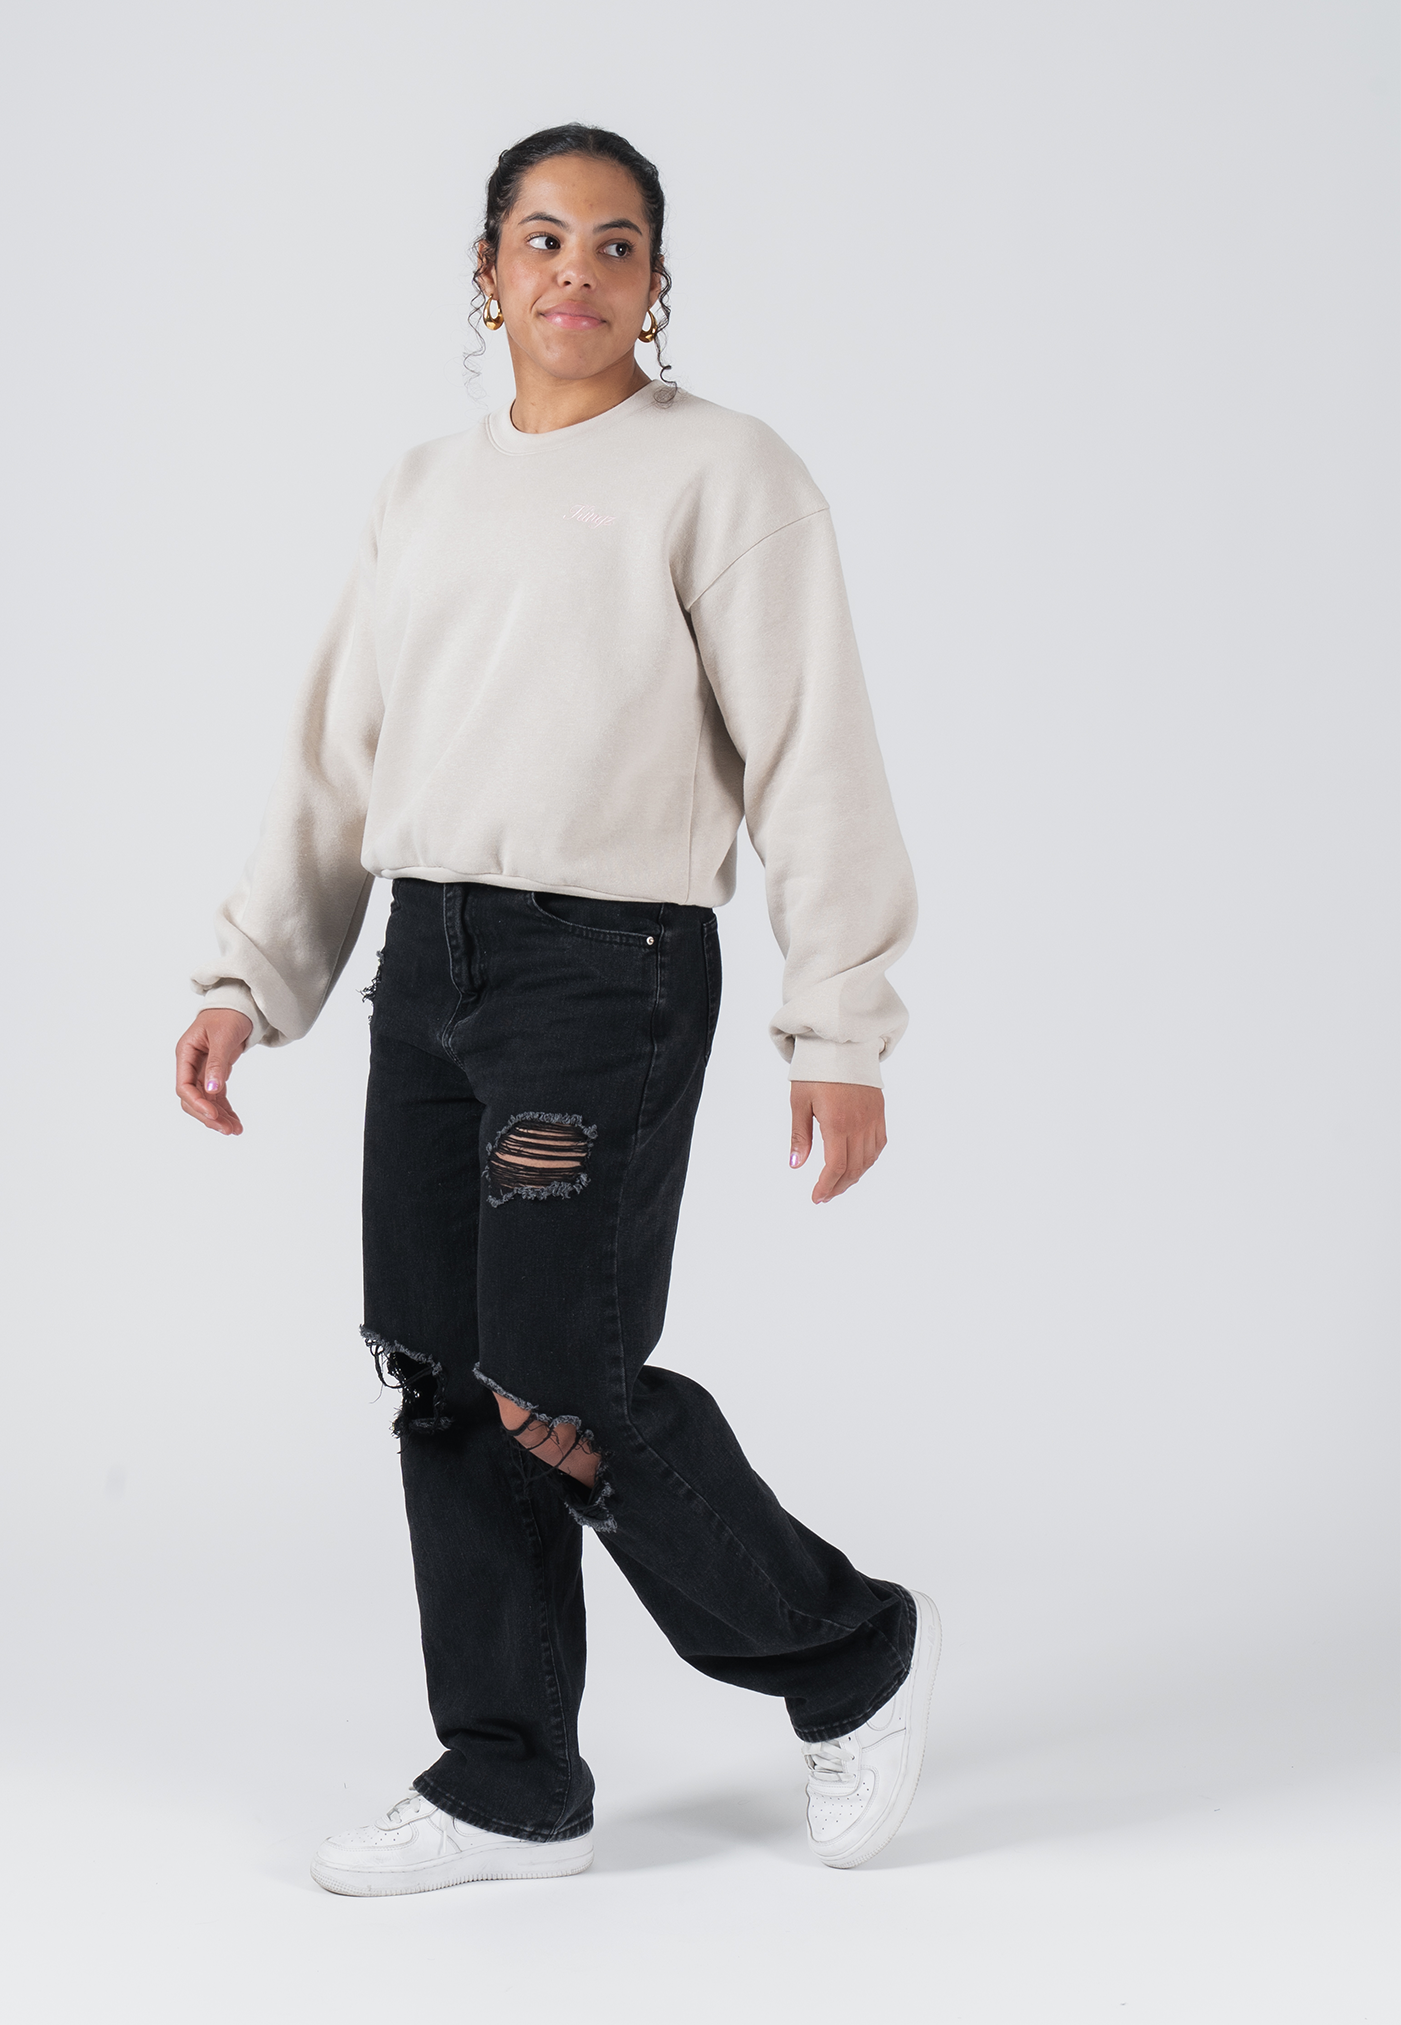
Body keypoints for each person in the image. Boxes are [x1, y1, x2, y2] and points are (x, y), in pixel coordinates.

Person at [175, 123, 939, 1898]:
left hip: (610, 968)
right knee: (443, 1373)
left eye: (615, 243)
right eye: (541, 238)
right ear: (487, 272)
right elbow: (339, 755)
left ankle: (846, 1656)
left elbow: (813, 754)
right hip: (429, 956)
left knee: (557, 1373)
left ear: (657, 284)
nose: (576, 271)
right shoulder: (424, 490)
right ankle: (509, 1782)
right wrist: (251, 975)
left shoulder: (725, 474)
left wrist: (839, 1025)